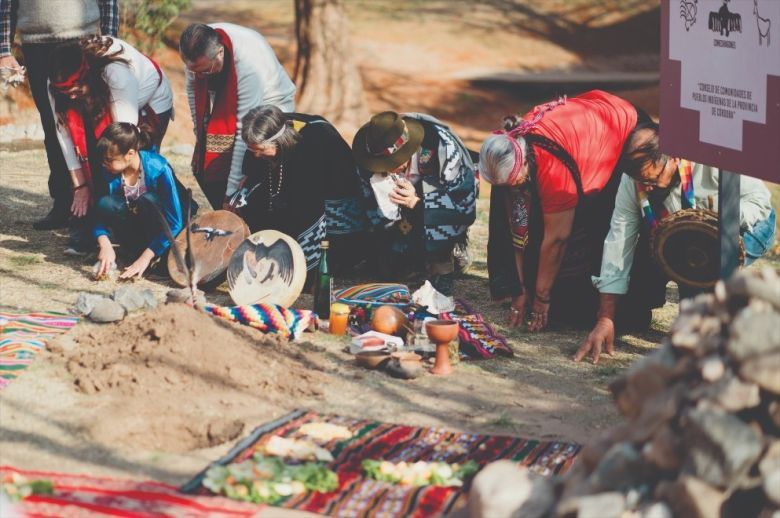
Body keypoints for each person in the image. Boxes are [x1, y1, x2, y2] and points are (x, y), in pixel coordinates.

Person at [575, 122, 775, 364]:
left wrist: (714, 221)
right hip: (680, 234)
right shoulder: (633, 181)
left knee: (702, 284)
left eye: (654, 178)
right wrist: (605, 317)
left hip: (749, 224)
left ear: (674, 158)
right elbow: (619, 240)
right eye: (641, 180)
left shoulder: (710, 158)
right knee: (676, 276)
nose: (646, 187)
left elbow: (760, 201)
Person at [480, 90, 651, 331]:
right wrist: (518, 289)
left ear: (526, 164)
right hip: (585, 130)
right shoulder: (513, 150)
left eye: (515, 184)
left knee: (600, 232)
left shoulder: (552, 169)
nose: (511, 190)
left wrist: (542, 298)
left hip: (622, 130)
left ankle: (618, 308)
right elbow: (515, 225)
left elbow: (557, 239)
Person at [47, 34, 174, 254]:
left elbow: (124, 140)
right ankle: (98, 224)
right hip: (101, 96)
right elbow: (65, 137)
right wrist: (81, 187)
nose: (72, 97)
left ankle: (144, 225)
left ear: (86, 75)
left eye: (76, 89)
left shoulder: (116, 75)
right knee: (94, 160)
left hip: (149, 98)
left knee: (121, 164)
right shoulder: (54, 85)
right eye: (66, 92)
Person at [0, 0, 118, 230]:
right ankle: (64, 203)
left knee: (94, 123)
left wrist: (110, 41)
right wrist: (4, 48)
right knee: (53, 126)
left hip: (84, 40)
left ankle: (103, 202)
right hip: (36, 47)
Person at [352, 111, 477, 296]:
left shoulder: (443, 148)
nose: (382, 168)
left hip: (436, 200)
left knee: (432, 195)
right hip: (400, 216)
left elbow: (461, 207)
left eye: (387, 162)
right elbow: (369, 204)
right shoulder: (370, 147)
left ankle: (443, 264)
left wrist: (417, 202)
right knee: (387, 270)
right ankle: (405, 255)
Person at [234, 105, 367, 279]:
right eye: (253, 150)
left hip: (329, 182)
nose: (256, 156)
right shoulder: (262, 134)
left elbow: (309, 208)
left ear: (279, 142)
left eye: (261, 150)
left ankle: (313, 269)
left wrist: (307, 269)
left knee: (305, 215)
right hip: (296, 171)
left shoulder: (314, 143)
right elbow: (253, 173)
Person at [179, 23, 297, 210]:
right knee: (206, 165)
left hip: (270, 105)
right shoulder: (195, 51)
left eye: (205, 71)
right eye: (194, 71)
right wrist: (200, 135)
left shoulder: (248, 66)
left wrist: (230, 195)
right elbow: (194, 95)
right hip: (228, 98)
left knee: (255, 170)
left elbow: (244, 133)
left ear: (219, 52)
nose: (199, 76)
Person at [93, 122, 189, 280]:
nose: (104, 164)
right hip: (137, 228)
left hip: (165, 232)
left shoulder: (158, 169)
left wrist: (145, 258)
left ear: (130, 154)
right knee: (106, 203)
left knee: (148, 200)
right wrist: (105, 243)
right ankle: (134, 251)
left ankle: (156, 254)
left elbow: (175, 222)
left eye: (109, 160)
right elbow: (98, 212)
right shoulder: (109, 172)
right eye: (103, 160)